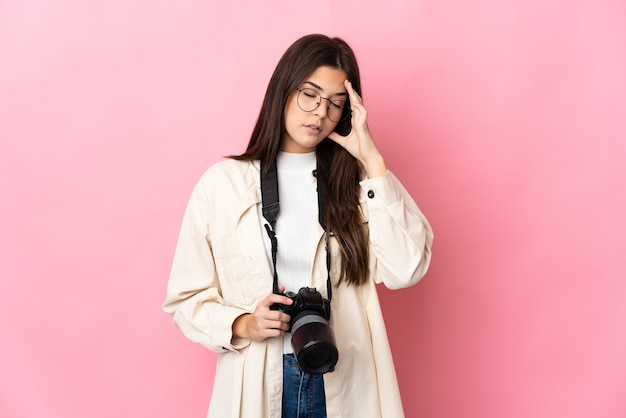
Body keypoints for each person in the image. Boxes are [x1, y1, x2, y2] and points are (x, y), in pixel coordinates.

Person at [163, 34, 434, 418]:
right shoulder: (221, 185)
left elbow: (406, 270)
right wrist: (242, 323)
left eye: (336, 104)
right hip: (259, 376)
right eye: (310, 94)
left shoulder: (362, 184)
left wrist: (372, 160)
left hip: (345, 375)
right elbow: (184, 298)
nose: (320, 113)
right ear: (283, 90)